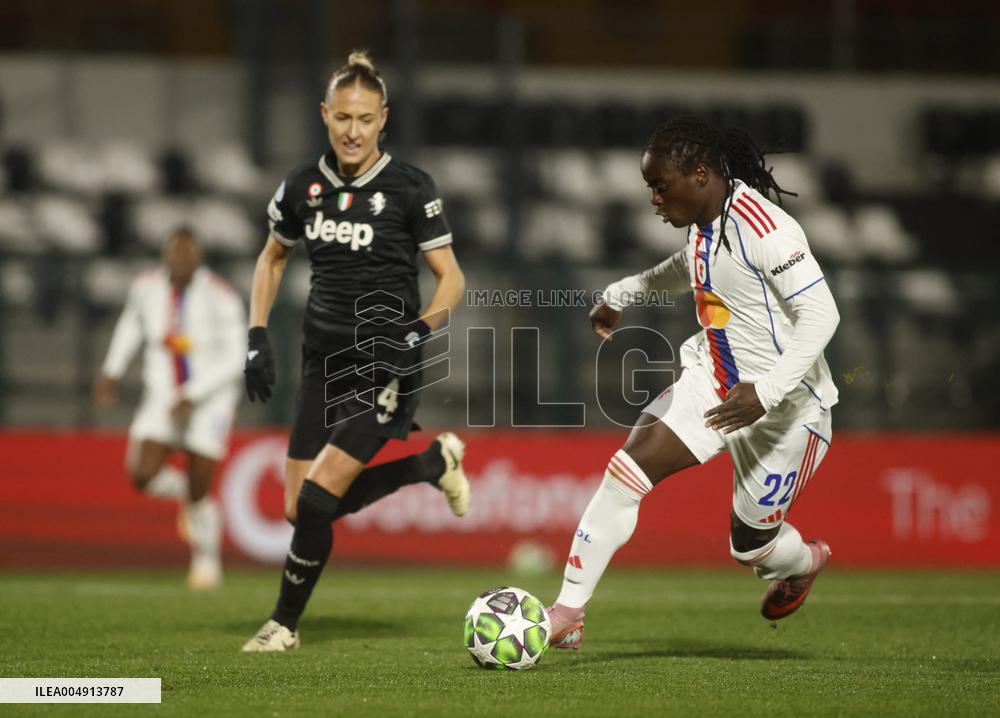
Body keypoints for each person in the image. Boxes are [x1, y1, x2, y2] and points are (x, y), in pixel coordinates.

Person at [547, 116, 840, 648]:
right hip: (714, 382)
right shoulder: (706, 222)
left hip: (787, 412)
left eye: (661, 186)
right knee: (626, 471)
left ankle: (805, 562)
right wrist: (627, 291)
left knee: (752, 548)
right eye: (650, 188)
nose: (654, 200)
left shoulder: (766, 229)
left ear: (700, 174)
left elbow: (822, 315)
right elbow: (692, 266)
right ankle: (567, 612)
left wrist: (767, 391)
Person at [242, 51, 468, 652]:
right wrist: (257, 334)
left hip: (385, 363)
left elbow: (451, 278)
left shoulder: (410, 187)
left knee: (318, 499)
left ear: (383, 120)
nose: (353, 131)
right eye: (343, 117)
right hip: (321, 360)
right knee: (297, 510)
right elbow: (271, 257)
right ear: (324, 114)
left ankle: (282, 626)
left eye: (365, 119)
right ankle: (429, 466)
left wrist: (418, 332)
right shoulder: (302, 186)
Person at [94, 227, 245, 590]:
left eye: (187, 254)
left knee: (201, 488)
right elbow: (130, 326)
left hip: (211, 399)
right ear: (165, 255)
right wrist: (112, 370)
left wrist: (194, 394)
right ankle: (184, 496)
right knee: (142, 475)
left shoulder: (221, 296)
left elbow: (237, 356)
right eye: (175, 253)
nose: (180, 260)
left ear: (199, 257)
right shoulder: (146, 287)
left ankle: (206, 561)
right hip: (162, 395)